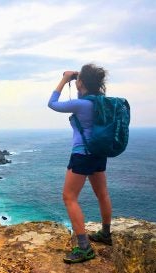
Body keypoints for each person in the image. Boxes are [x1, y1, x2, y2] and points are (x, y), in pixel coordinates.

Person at [48, 64, 113, 264]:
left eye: (78, 79)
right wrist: (78, 79)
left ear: (81, 83)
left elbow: (52, 103)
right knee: (102, 194)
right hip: (98, 153)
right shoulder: (102, 102)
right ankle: (105, 233)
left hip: (82, 155)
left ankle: (84, 247)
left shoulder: (81, 104)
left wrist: (64, 79)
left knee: (69, 197)